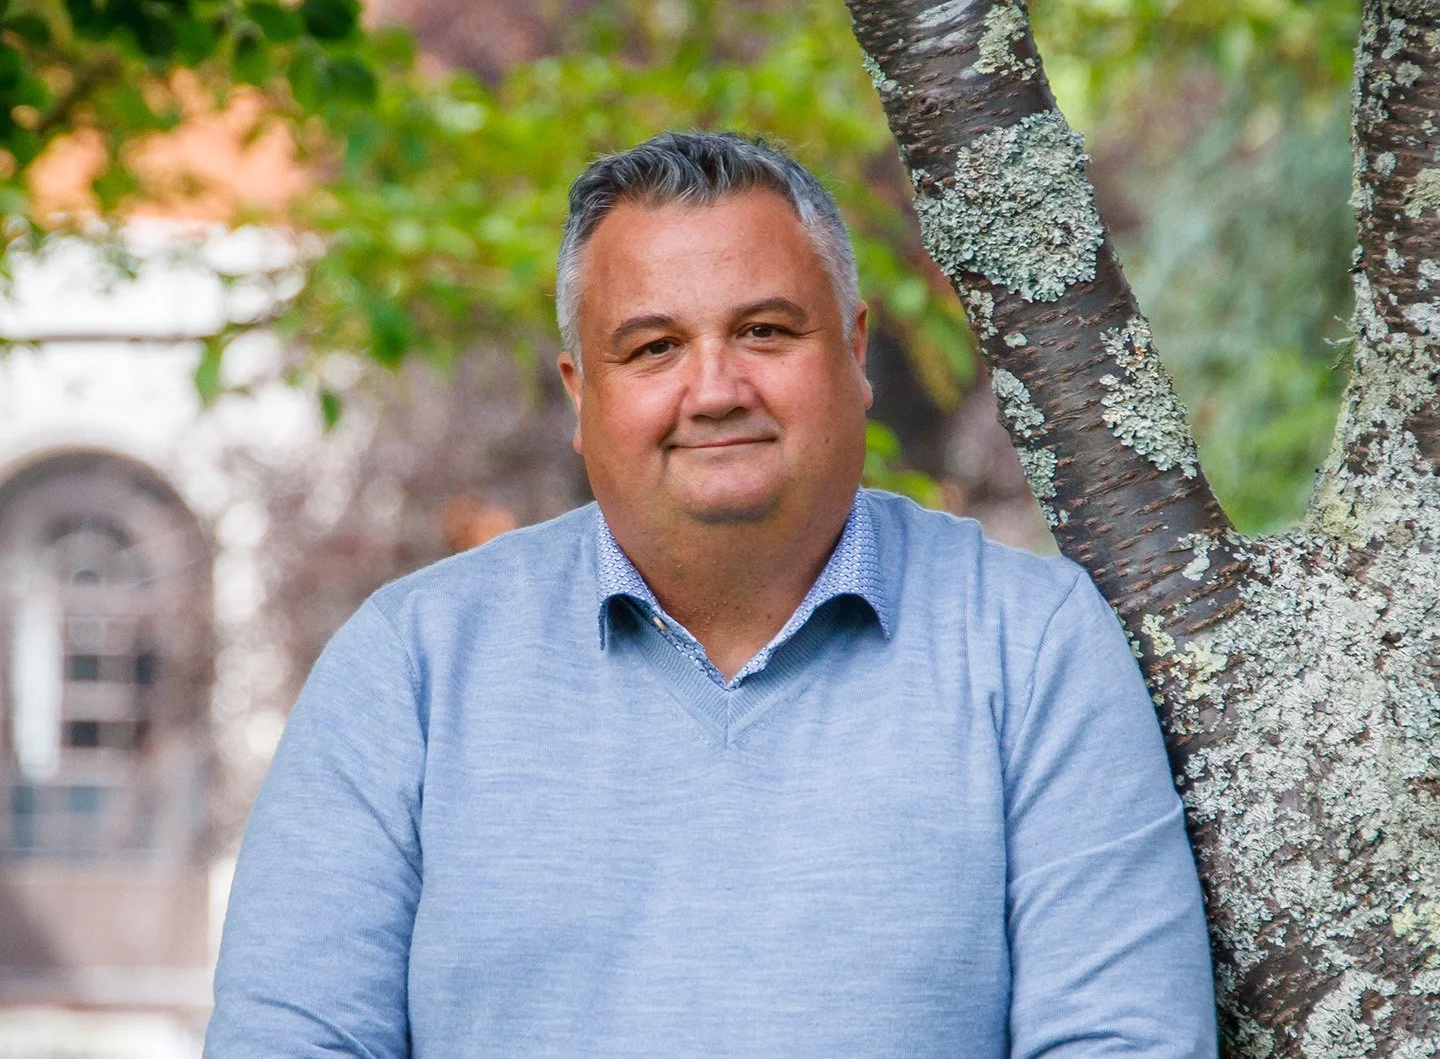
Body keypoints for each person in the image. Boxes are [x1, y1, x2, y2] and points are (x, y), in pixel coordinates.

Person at [205, 132, 1217, 1057]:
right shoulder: (411, 670)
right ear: (579, 392)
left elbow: (1123, 1043)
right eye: (653, 348)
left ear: (855, 354)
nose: (717, 388)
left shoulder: (1028, 646)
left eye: (767, 331)